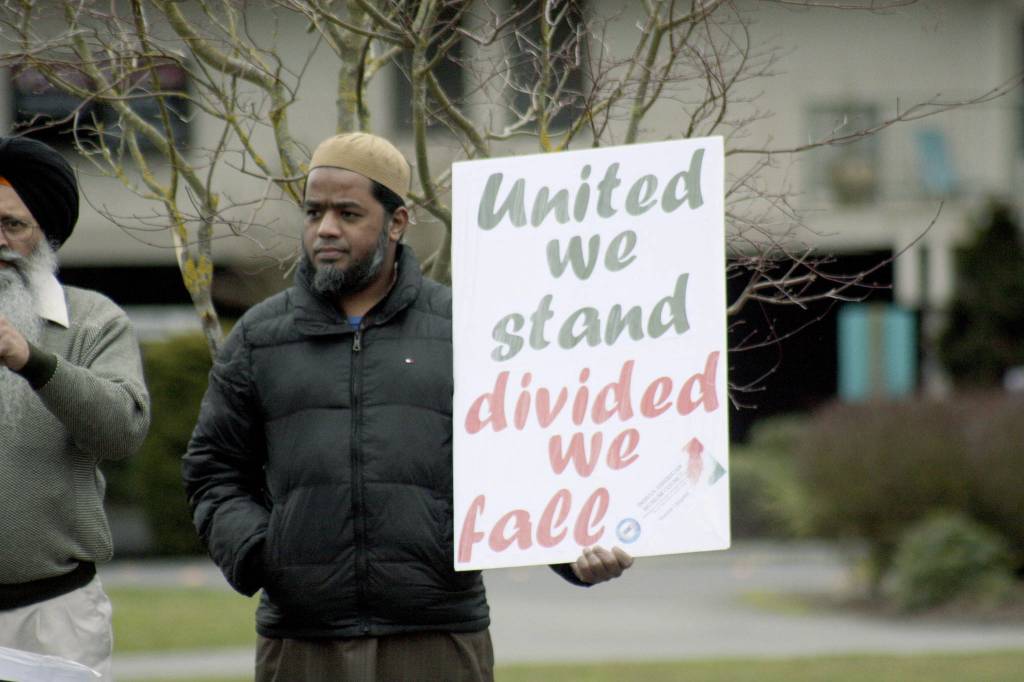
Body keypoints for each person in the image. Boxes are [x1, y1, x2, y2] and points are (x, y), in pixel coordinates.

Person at [182, 132, 633, 681]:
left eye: (348, 213)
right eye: (314, 211)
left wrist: (577, 550)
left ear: (397, 223)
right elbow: (213, 471)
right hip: (302, 641)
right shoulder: (259, 337)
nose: (326, 228)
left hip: (439, 635)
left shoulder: (468, 329)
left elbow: (527, 458)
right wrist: (261, 553)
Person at [0, 136, 151, 679]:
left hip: (54, 614)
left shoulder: (94, 321)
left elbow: (122, 432)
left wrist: (30, 360)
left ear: (48, 234)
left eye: (12, 226)